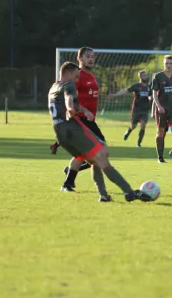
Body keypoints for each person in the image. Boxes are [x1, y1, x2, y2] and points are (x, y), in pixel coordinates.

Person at [48, 61, 150, 202]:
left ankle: (103, 195)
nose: (78, 79)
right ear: (69, 73)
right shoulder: (68, 85)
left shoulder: (54, 87)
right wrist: (70, 108)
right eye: (77, 76)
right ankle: (129, 192)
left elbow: (71, 103)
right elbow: (69, 99)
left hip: (61, 134)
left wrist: (84, 110)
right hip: (73, 129)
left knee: (94, 161)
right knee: (102, 156)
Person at [52, 47, 105, 191]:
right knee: (98, 151)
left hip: (89, 120)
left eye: (93, 56)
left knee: (92, 153)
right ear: (80, 58)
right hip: (81, 119)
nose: (91, 59)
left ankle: (69, 179)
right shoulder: (77, 76)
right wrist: (80, 110)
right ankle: (69, 181)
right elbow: (68, 97)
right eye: (88, 56)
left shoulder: (91, 76)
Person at [152, 55, 172, 164]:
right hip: (162, 109)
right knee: (161, 133)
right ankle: (160, 157)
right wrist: (159, 106)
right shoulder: (158, 76)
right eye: (167, 63)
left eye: (170, 63)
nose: (169, 65)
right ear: (163, 64)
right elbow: (154, 94)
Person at [108, 70, 151, 147]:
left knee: (143, 126)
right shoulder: (136, 86)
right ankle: (128, 131)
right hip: (136, 110)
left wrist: (150, 98)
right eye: (143, 75)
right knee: (133, 126)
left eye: (146, 75)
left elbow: (151, 95)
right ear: (140, 77)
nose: (145, 77)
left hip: (145, 110)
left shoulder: (148, 87)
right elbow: (125, 91)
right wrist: (115, 95)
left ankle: (139, 143)